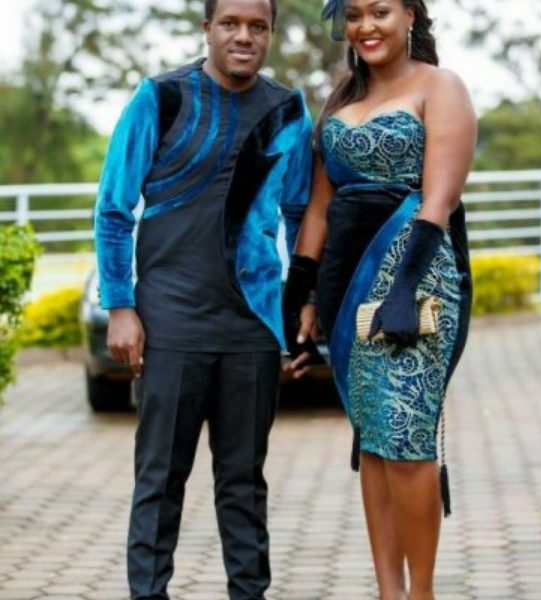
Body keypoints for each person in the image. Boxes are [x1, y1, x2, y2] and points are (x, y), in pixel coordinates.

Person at [94, 0, 313, 597]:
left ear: (270, 33)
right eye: (230, 24)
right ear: (207, 29)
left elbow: (300, 213)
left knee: (244, 485)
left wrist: (301, 305)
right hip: (170, 322)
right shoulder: (160, 98)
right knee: (160, 481)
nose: (244, 36)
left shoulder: (288, 109)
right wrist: (120, 306)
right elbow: (114, 209)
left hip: (252, 326)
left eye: (258, 26)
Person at [283, 1, 476, 599]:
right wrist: (301, 293)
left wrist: (403, 290)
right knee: (372, 441)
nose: (366, 26)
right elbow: (319, 208)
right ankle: (389, 591)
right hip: (346, 285)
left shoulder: (441, 87)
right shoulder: (339, 101)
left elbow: (438, 201)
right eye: (355, 14)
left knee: (406, 438)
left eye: (381, 11)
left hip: (416, 278)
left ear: (410, 16)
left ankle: (422, 593)